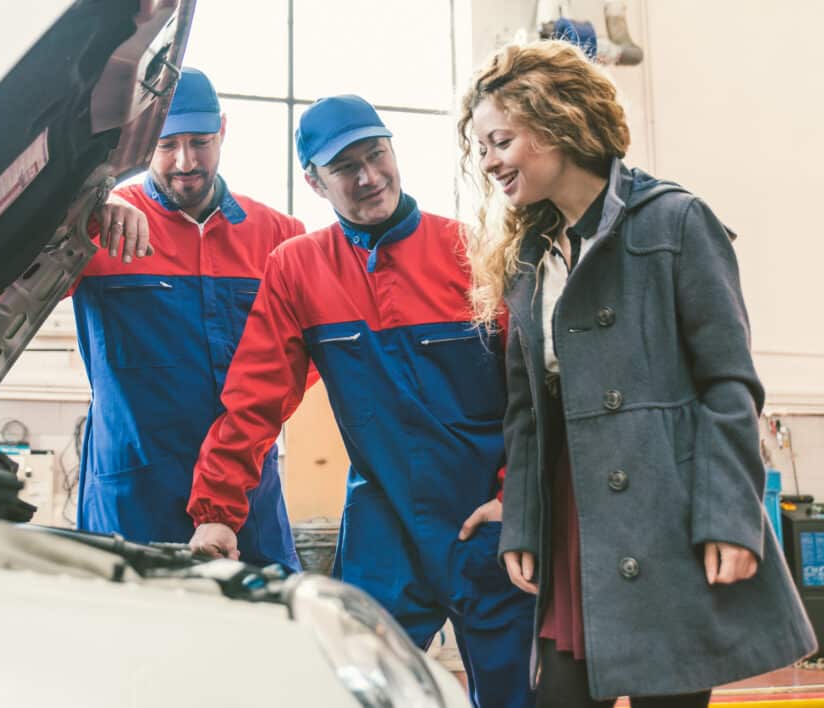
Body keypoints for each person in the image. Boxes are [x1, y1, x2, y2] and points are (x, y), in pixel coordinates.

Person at [458, 39, 816, 708]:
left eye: (500, 140)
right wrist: (524, 522)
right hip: (576, 522)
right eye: (480, 149)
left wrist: (729, 516)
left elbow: (728, 386)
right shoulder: (529, 259)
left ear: (555, 117)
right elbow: (528, 412)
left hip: (668, 520)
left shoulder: (678, 222)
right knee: (558, 695)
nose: (489, 163)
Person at [187, 94, 536, 708]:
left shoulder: (476, 253)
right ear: (314, 183)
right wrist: (217, 506)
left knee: (517, 699)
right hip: (386, 527)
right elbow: (254, 397)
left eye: (376, 155)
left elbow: (531, 398)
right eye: (346, 167)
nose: (369, 177)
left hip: (486, 521)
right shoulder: (297, 268)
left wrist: (517, 498)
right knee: (355, 693)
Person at [71, 67, 304, 570]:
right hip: (131, 496)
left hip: (246, 494)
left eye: (200, 141)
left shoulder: (279, 237)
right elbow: (9, 272)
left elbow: (292, 371)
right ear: (141, 140)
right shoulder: (100, 227)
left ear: (223, 129)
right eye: (167, 143)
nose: (185, 162)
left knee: (263, 632)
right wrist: (86, 204)